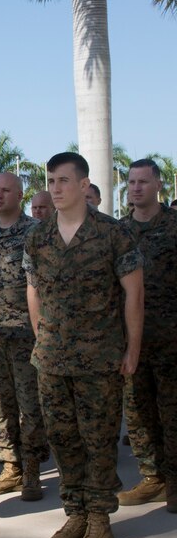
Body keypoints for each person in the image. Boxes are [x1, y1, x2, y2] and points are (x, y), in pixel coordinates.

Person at [24, 152, 143, 538]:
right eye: (50, 181)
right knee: (63, 439)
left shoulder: (112, 233)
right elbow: (33, 291)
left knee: (99, 440)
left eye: (63, 181)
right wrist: (41, 338)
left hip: (100, 358)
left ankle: (99, 518)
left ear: (83, 185)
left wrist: (132, 349)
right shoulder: (39, 237)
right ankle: (75, 512)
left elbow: (134, 294)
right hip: (52, 360)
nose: (55, 188)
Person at [0, 173, 46, 501]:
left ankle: (32, 469)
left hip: (27, 334)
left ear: (19, 195)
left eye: (5, 191)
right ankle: (10, 467)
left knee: (30, 405)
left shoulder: (38, 232)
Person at [119, 159, 177, 512]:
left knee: (172, 412)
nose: (136, 188)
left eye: (143, 182)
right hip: (132, 342)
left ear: (158, 185)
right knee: (138, 413)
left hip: (171, 339)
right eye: (131, 182)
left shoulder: (173, 226)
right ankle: (153, 478)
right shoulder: (118, 232)